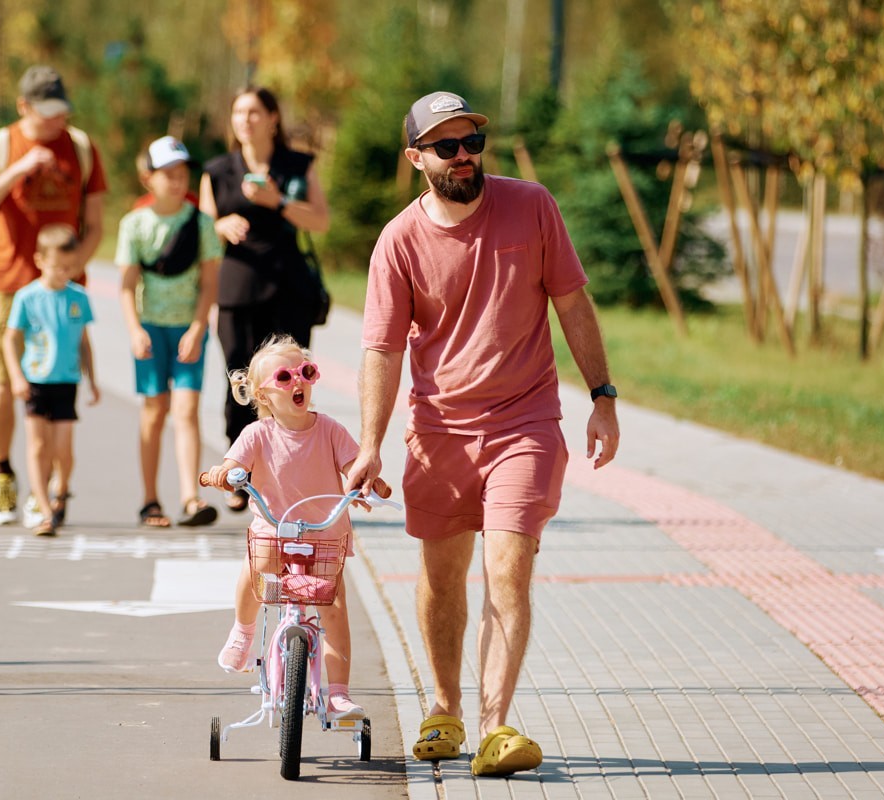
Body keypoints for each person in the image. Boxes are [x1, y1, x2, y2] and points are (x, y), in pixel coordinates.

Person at [344, 91, 621, 778]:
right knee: (441, 579)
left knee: (507, 568)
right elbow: (381, 350)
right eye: (446, 146)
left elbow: (571, 302)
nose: (463, 155)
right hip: (437, 433)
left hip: (524, 423)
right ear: (416, 158)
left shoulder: (532, 206)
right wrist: (372, 443)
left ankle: (497, 726)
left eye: (471, 141)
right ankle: (444, 708)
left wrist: (602, 395)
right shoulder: (399, 241)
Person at [203, 334, 390, 721]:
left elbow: (354, 466)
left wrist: (368, 483)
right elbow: (232, 463)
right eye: (285, 378)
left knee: (335, 608)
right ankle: (243, 629)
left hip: (324, 534)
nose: (298, 383)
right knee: (259, 566)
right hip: (276, 529)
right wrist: (224, 473)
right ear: (264, 395)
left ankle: (338, 693)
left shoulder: (330, 430)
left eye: (305, 372)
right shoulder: (257, 435)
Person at [0, 64, 108, 527]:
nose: (56, 123)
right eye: (47, 114)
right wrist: (19, 170)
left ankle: (45, 490)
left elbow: (97, 223)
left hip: (61, 293)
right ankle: (4, 473)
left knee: (56, 393)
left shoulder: (81, 148)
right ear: (24, 107)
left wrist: (70, 268)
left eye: (61, 112)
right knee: (4, 384)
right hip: (9, 285)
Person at [199, 86, 330, 513]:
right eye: (238, 112)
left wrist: (279, 201)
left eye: (254, 111)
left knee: (289, 383)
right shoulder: (218, 171)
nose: (245, 120)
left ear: (273, 118)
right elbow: (201, 227)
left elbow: (321, 220)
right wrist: (220, 225)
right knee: (240, 379)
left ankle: (286, 473)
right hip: (237, 289)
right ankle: (239, 474)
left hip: (288, 288)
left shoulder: (297, 165)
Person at [116, 136, 222, 528]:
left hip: (187, 330)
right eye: (168, 174)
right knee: (154, 411)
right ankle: (150, 500)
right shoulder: (135, 224)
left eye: (182, 174)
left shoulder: (201, 223)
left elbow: (209, 284)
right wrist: (133, 330)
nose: (177, 182)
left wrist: (197, 328)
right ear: (148, 178)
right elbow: (127, 285)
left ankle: (192, 499)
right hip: (149, 330)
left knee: (187, 409)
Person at [2, 224, 101, 537]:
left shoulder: (78, 297)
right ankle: (44, 510)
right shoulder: (27, 297)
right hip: (35, 381)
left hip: (66, 381)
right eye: (57, 267)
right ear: (40, 260)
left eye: (69, 267)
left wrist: (93, 380)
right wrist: (16, 376)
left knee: (63, 449)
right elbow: (9, 339)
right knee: (38, 446)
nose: (63, 273)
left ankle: (61, 489)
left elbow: (85, 342)